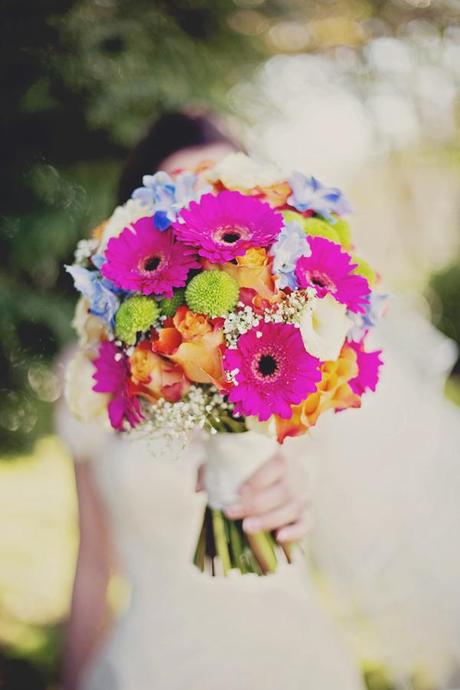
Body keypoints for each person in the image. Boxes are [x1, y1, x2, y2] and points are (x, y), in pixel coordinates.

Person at [58, 111, 365, 690]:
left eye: (216, 186)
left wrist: (296, 474)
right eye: (178, 194)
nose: (198, 211)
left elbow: (322, 467)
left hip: (288, 656)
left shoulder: (303, 344)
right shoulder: (91, 374)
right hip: (149, 661)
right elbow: (94, 559)